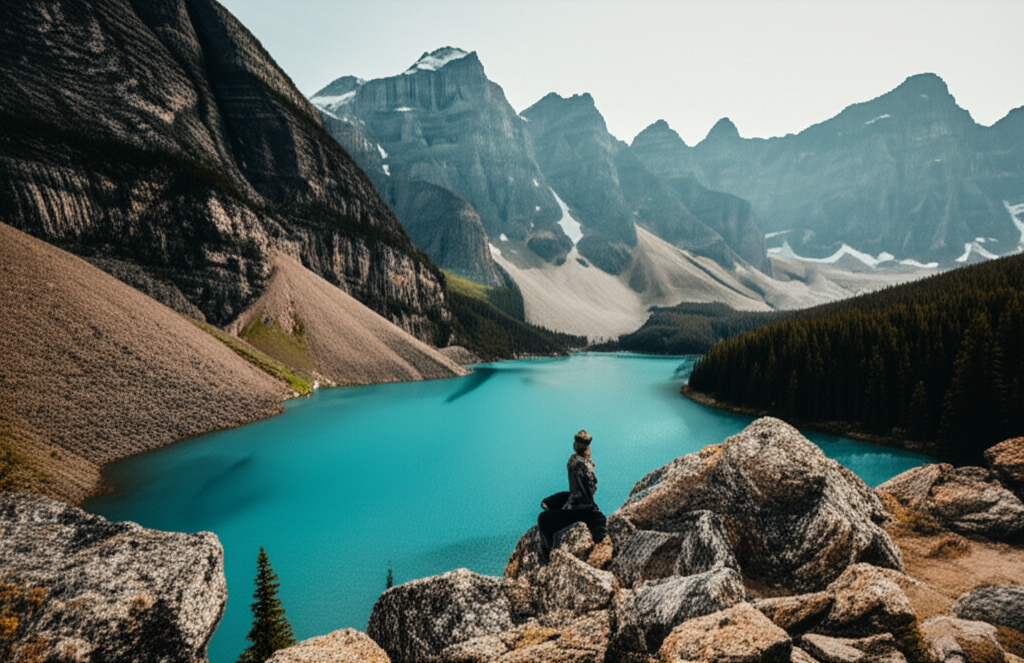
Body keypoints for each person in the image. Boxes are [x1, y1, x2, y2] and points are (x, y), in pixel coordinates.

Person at [538, 430, 607, 548]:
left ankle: (548, 504)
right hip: (583, 507)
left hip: (574, 501)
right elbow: (591, 488)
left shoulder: (572, 460)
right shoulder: (586, 465)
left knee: (547, 514)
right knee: (599, 520)